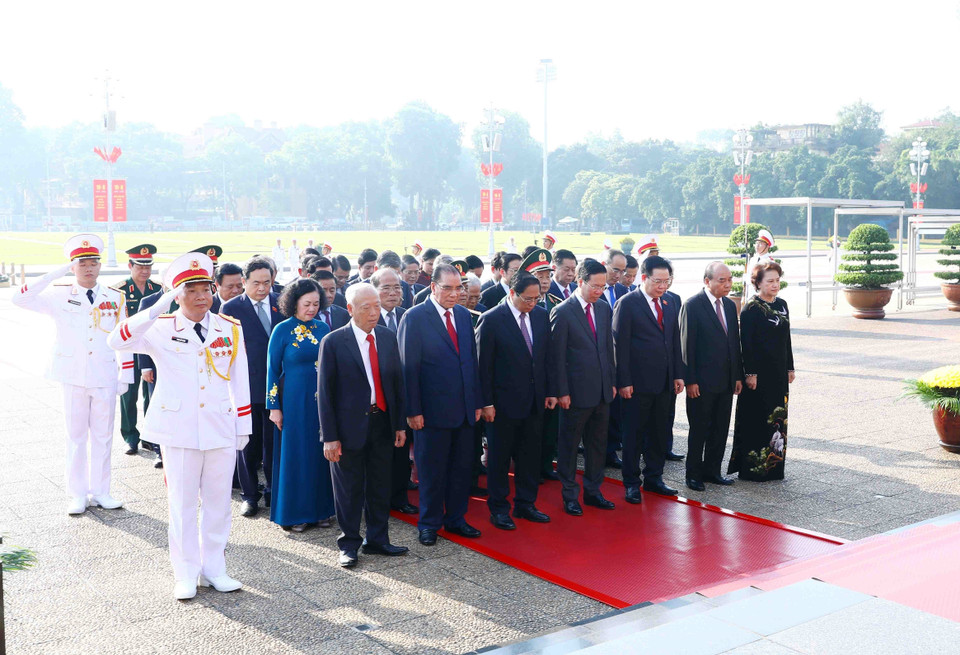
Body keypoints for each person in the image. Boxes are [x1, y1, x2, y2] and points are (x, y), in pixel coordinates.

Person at [108, 252, 250, 600]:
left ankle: (214, 568)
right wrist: (159, 306)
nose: (202, 296)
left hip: (219, 425)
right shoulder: (159, 327)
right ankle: (185, 573)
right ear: (176, 293)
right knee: (183, 504)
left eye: (207, 288)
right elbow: (117, 340)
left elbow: (240, 376)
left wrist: (242, 425)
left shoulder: (228, 328)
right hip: (179, 428)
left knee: (218, 503)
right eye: (192, 290)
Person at [14, 233, 133, 514]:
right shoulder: (58, 294)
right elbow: (20, 298)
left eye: (93, 262)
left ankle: (101, 491)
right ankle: (77, 493)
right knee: (76, 436)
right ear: (72, 266)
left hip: (104, 374)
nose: (89, 268)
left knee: (103, 437)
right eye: (81, 263)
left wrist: (125, 374)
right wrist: (55, 273)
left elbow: (124, 335)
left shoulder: (114, 297)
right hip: (73, 374)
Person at [319, 283, 410, 567]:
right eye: (365, 308)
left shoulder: (386, 337)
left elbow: (395, 384)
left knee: (381, 484)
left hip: (381, 421)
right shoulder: (334, 342)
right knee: (349, 488)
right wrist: (330, 437)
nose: (374, 313)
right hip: (348, 428)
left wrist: (399, 424)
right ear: (350, 309)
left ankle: (378, 539)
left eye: (376, 306)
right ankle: (348, 544)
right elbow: (325, 393)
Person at [398, 263, 483, 546]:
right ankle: (429, 523)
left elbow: (471, 362)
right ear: (433, 287)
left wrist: (477, 401)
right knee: (432, 471)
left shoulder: (462, 314)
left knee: (461, 469)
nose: (454, 294)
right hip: (431, 412)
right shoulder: (415, 317)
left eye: (459, 288)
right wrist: (413, 410)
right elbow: (408, 368)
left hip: (464, 410)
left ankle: (456, 519)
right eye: (448, 288)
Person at [477, 273, 553, 530]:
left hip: (534, 402)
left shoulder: (541, 316)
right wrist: (486, 402)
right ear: (512, 293)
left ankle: (526, 504)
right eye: (528, 298)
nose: (533, 303)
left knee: (530, 456)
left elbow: (545, 360)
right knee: (499, 460)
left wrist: (550, 391)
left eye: (537, 298)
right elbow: (483, 367)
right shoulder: (492, 320)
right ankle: (499, 509)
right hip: (502, 405)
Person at [613, 255, 685, 503]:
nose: (663, 286)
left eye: (667, 281)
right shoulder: (628, 303)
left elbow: (674, 341)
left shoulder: (670, 302)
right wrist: (623, 381)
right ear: (644, 278)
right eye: (658, 281)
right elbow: (619, 346)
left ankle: (654, 477)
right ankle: (632, 482)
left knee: (658, 432)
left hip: (664, 382)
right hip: (636, 384)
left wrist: (678, 374)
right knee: (634, 434)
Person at [550, 259, 617, 516]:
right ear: (580, 282)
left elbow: (607, 349)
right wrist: (562, 391)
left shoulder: (602, 308)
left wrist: (611, 382)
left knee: (598, 445)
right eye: (596, 286)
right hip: (575, 394)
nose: (600, 291)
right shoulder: (564, 311)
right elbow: (557, 358)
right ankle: (569, 495)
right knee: (569, 447)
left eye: (603, 286)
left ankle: (593, 491)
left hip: (601, 391)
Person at [266, 279, 335, 531]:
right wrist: (274, 407)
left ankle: (322, 510)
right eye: (307, 304)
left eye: (316, 304)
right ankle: (295, 514)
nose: (312, 309)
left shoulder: (323, 328)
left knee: (319, 454)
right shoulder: (282, 330)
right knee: (296, 455)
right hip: (293, 402)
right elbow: (272, 370)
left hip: (321, 401)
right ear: (293, 302)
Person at [221, 257, 283, 517]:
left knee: (274, 444)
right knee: (248, 444)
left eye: (267, 282)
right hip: (247, 386)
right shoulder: (231, 308)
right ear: (244, 282)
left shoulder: (282, 302)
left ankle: (274, 491)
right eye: (256, 283)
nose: (262, 288)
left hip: (277, 387)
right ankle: (250, 494)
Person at [728, 261, 795, 481]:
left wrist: (790, 367)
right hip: (758, 374)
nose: (775, 285)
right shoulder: (751, 308)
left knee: (777, 419)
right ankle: (753, 469)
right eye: (770, 281)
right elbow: (747, 344)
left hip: (778, 373)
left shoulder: (782, 304)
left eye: (777, 280)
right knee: (757, 418)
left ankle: (774, 468)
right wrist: (751, 373)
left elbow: (787, 339)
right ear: (758, 282)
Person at [680, 262, 744, 492]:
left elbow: (733, 343)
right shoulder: (693, 305)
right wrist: (690, 380)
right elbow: (687, 346)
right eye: (721, 280)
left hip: (726, 381)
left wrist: (737, 375)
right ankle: (694, 474)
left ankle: (712, 471)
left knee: (720, 428)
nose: (727, 285)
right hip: (701, 382)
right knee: (700, 429)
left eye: (729, 280)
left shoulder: (729, 305)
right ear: (707, 281)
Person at [371, 268, 416, 514]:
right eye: (386, 288)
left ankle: (400, 496)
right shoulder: (367, 318)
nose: (392, 292)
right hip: (377, 396)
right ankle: (379, 498)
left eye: (396, 287)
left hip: (404, 393)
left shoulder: (408, 316)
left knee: (402, 447)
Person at [113, 244, 161, 455]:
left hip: (151, 350)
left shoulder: (157, 290)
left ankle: (150, 436)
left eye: (148, 267)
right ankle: (130, 436)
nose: (145, 271)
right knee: (128, 394)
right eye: (140, 267)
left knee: (151, 394)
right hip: (130, 350)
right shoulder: (120, 290)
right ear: (130, 266)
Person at [600, 249, 629, 469]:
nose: (618, 275)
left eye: (622, 270)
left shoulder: (623, 291)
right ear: (605, 264)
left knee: (617, 411)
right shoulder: (592, 290)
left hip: (620, 359)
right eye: (615, 269)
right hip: (599, 360)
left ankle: (612, 450)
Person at [744, 229, 775, 302]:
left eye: (760, 243)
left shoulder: (769, 261)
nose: (757, 246)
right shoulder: (753, 260)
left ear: (767, 246)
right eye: (756, 243)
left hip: (763, 296)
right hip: (750, 295)